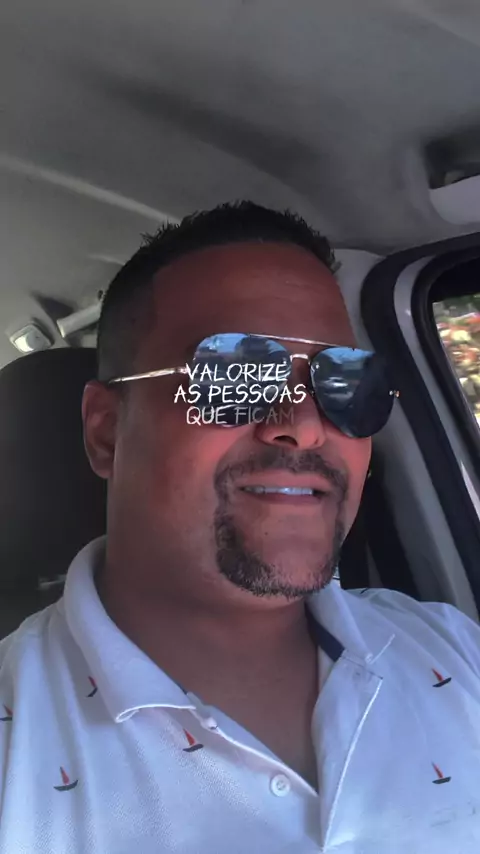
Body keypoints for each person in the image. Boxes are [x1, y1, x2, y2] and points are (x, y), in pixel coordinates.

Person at [1, 201, 480, 854]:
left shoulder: (455, 651)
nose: (305, 425)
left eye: (345, 380)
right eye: (237, 374)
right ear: (107, 432)